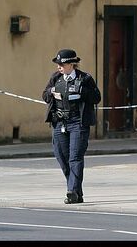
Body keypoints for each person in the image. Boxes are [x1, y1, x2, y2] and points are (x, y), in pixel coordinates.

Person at [42, 48, 101, 204]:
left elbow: (96, 97)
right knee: (62, 157)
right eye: (58, 64)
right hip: (59, 122)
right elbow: (45, 95)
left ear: (71, 64)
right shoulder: (56, 78)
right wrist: (52, 91)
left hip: (78, 122)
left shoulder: (85, 79)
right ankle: (76, 192)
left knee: (75, 157)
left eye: (61, 64)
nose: (59, 67)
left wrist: (82, 91)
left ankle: (72, 191)